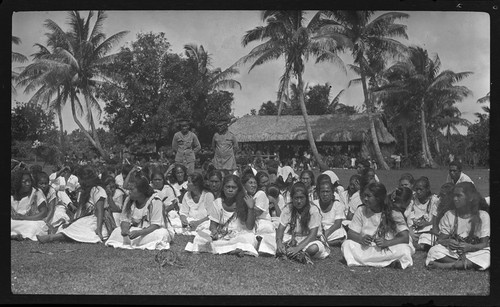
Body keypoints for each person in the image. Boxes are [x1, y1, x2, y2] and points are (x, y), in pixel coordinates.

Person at [341, 182, 414, 269]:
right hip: (366, 248)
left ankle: (363, 261)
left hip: (387, 248)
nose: (365, 199)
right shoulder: (361, 210)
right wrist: (361, 239)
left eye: (369, 196)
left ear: (378, 198)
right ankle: (388, 262)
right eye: (364, 196)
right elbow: (351, 233)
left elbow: (405, 237)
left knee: (405, 248)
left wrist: (387, 242)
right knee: (347, 244)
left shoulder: (393, 212)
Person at [184, 175, 258, 257]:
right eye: (228, 187)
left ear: (238, 190)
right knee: (200, 237)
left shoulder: (245, 202)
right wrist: (214, 231)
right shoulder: (218, 203)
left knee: (248, 238)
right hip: (222, 234)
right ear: (223, 188)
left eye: (234, 188)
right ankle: (234, 249)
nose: (230, 190)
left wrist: (251, 208)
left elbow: (250, 227)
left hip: (239, 234)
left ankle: (231, 248)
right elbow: (213, 225)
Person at [426, 182, 490, 270]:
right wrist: (448, 242)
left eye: (459, 196)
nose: (455, 199)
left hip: (475, 252)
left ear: (470, 198)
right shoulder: (450, 215)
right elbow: (440, 240)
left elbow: (484, 244)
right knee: (434, 250)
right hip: (454, 253)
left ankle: (451, 265)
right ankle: (467, 264)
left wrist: (470, 247)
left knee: (488, 254)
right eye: (454, 196)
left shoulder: (483, 216)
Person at [37, 167, 108, 244]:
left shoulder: (97, 190)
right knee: (70, 227)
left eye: (80, 179)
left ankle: (51, 238)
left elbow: (100, 211)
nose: (79, 182)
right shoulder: (86, 192)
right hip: (87, 219)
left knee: (78, 228)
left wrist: (99, 230)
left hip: (96, 221)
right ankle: (55, 236)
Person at [105, 177, 174, 250]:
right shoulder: (128, 199)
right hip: (135, 230)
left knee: (161, 234)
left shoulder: (155, 201)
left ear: (141, 191)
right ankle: (139, 242)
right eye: (128, 190)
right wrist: (124, 230)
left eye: (131, 189)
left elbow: (155, 225)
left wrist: (139, 233)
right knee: (117, 231)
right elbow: (125, 219)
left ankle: (134, 242)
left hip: (151, 231)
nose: (129, 192)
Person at [275, 182, 330, 261]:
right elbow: (280, 228)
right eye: (296, 198)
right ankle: (295, 254)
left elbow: (313, 235)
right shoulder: (288, 208)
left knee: (313, 248)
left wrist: (297, 248)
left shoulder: (313, 210)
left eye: (301, 198)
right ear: (292, 198)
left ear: (306, 198)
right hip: (293, 239)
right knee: (270, 238)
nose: (299, 201)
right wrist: (279, 242)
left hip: (311, 240)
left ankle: (293, 253)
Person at [241, 172, 274, 255]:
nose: (253, 185)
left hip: (262, 223)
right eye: (250, 183)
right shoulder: (244, 196)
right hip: (250, 222)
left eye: (255, 183)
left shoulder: (260, 194)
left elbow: (256, 213)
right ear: (244, 185)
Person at [11, 169, 49, 241]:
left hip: (32, 220)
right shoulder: (13, 195)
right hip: (16, 221)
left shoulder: (36, 193)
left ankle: (17, 234)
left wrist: (24, 218)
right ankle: (15, 235)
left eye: (29, 181)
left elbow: (44, 213)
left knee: (33, 226)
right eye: (24, 182)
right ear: (18, 183)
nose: (28, 184)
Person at [405, 177, 440, 251]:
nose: (418, 192)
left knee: (429, 237)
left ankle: (420, 245)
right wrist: (411, 229)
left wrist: (425, 224)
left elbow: (435, 219)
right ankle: (420, 245)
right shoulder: (412, 198)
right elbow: (408, 216)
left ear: (427, 189)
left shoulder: (434, 200)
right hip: (413, 229)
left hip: (428, 229)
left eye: (421, 189)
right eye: (416, 189)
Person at [314, 181, 347, 246]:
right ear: (319, 193)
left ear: (332, 193)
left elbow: (337, 224)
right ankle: (329, 242)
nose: (325, 194)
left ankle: (322, 241)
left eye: (327, 191)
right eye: (323, 192)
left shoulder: (337, 205)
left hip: (332, 230)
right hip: (318, 229)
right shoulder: (314, 204)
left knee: (341, 232)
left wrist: (326, 233)